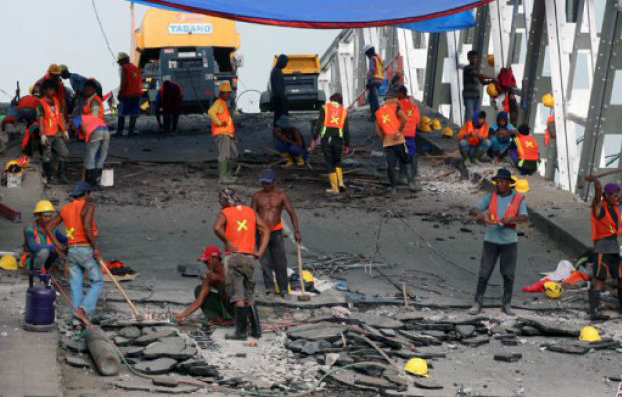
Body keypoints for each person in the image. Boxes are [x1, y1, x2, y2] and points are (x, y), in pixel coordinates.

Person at [468, 168, 528, 316]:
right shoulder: (491, 197)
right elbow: (473, 209)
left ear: (509, 183)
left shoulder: (518, 199)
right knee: (484, 273)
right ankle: (477, 303)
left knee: (508, 274)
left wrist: (511, 219)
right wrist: (479, 214)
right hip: (491, 240)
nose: (499, 184)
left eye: (502, 182)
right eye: (497, 182)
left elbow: (524, 217)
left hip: (509, 242)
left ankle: (506, 304)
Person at [213, 188, 270, 340]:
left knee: (237, 295)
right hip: (249, 258)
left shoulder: (226, 212)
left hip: (234, 257)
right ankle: (256, 331)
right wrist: (260, 251)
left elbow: (216, 228)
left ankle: (240, 333)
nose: (220, 203)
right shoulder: (250, 211)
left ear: (225, 200)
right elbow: (265, 229)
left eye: (221, 200)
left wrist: (227, 242)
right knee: (249, 294)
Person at [46, 182, 102, 329]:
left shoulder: (65, 209)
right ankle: (83, 310)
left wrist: (59, 246)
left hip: (72, 250)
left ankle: (77, 322)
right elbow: (87, 226)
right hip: (85, 249)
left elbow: (49, 227)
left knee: (75, 285)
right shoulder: (88, 206)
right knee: (97, 282)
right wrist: (96, 248)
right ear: (86, 193)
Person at [251, 170, 302, 299]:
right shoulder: (257, 196)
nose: (265, 186)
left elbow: (292, 214)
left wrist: (296, 231)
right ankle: (270, 289)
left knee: (280, 261)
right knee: (265, 261)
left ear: (274, 182)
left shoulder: (281, 196)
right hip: (261, 233)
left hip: (276, 232)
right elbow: (251, 214)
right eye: (263, 183)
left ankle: (284, 289)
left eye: (267, 183)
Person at [583, 175, 622, 320]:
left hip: (613, 249)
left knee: (621, 276)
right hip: (602, 250)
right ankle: (594, 311)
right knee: (600, 279)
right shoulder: (599, 208)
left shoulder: (615, 206)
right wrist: (595, 181)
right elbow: (598, 192)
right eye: (614, 195)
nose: (617, 198)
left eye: (618, 195)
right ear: (606, 195)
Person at [175, 246, 233, 325]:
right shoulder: (210, 277)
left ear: (215, 259)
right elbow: (199, 301)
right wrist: (182, 315)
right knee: (198, 290)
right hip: (224, 304)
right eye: (204, 262)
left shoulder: (229, 269)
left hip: (236, 306)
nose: (205, 264)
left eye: (206, 261)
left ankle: (233, 318)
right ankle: (217, 318)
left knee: (228, 289)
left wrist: (220, 279)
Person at [311, 93, 350, 194]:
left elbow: (318, 124)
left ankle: (334, 188)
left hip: (327, 139)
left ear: (331, 99)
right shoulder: (344, 111)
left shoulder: (324, 108)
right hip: (339, 140)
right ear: (340, 101)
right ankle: (341, 183)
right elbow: (346, 130)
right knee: (337, 161)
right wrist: (347, 144)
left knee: (329, 162)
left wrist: (314, 138)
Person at [375, 94, 414, 191]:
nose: (396, 100)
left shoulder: (378, 112)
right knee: (406, 160)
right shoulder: (396, 108)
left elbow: (378, 132)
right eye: (395, 99)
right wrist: (399, 131)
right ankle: (411, 183)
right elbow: (405, 119)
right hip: (399, 140)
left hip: (388, 142)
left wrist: (383, 141)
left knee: (390, 165)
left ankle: (393, 187)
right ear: (391, 99)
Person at [37, 79, 70, 185]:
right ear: (45, 90)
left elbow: (60, 116)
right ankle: (48, 175)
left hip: (56, 132)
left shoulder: (56, 100)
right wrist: (42, 135)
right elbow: (41, 120)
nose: (52, 91)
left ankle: (61, 175)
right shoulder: (41, 103)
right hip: (47, 133)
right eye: (50, 89)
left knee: (63, 152)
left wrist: (65, 130)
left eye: (53, 89)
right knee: (47, 155)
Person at [23, 200, 67, 272]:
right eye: (45, 216)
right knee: (44, 251)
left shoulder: (53, 229)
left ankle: (50, 270)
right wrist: (54, 247)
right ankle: (37, 271)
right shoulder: (30, 229)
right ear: (38, 216)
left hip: (48, 261)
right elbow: (33, 247)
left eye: (50, 216)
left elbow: (64, 240)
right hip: (32, 261)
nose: (48, 219)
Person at [208, 82, 237, 184]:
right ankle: (223, 177)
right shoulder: (219, 102)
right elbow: (211, 112)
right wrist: (219, 123)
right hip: (222, 133)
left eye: (228, 92)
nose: (228, 94)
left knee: (232, 154)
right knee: (224, 155)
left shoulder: (223, 103)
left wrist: (232, 135)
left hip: (228, 134)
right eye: (225, 93)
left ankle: (228, 175)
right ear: (221, 93)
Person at [72, 115, 110, 187]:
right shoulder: (90, 118)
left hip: (96, 132)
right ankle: (97, 181)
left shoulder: (76, 119)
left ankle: (89, 182)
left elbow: (83, 127)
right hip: (106, 132)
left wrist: (87, 140)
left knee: (90, 157)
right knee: (102, 156)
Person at [396, 85, 421, 190]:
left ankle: (404, 177)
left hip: (402, 133)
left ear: (401, 93)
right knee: (412, 154)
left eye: (398, 93)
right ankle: (414, 177)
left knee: (402, 154)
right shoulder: (414, 106)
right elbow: (418, 123)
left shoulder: (398, 105)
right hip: (411, 133)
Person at [462, 51, 495, 123]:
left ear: (477, 59)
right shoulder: (467, 68)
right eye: (472, 58)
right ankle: (467, 131)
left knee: (477, 115)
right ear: (468, 58)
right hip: (468, 96)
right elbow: (479, 75)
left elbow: (482, 82)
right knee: (469, 115)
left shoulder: (476, 69)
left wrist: (492, 81)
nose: (474, 59)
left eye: (475, 58)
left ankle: (475, 131)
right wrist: (492, 77)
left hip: (476, 96)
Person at [116, 52, 142, 136]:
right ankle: (131, 131)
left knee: (121, 113)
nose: (119, 64)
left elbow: (124, 82)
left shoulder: (125, 68)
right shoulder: (135, 68)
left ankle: (119, 132)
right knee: (133, 113)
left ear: (122, 61)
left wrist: (120, 93)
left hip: (127, 94)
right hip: (137, 94)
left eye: (119, 62)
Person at [364, 44, 384, 121]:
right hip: (380, 80)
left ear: (368, 52)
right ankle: (377, 114)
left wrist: (369, 82)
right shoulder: (378, 58)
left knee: (372, 98)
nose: (367, 56)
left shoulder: (372, 59)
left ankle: (375, 115)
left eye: (366, 54)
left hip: (374, 80)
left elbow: (372, 70)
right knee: (373, 96)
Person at [270, 54, 289, 127]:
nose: (286, 65)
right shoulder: (276, 71)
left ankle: (278, 134)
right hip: (279, 100)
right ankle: (279, 134)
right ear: (281, 62)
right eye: (285, 62)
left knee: (278, 118)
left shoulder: (276, 70)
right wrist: (284, 98)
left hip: (278, 99)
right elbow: (278, 88)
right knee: (280, 119)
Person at [544, 114, 557, 181]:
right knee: (550, 160)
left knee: (549, 160)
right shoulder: (552, 119)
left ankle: (548, 176)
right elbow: (553, 134)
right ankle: (548, 177)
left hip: (550, 142)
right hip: (552, 143)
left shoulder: (551, 118)